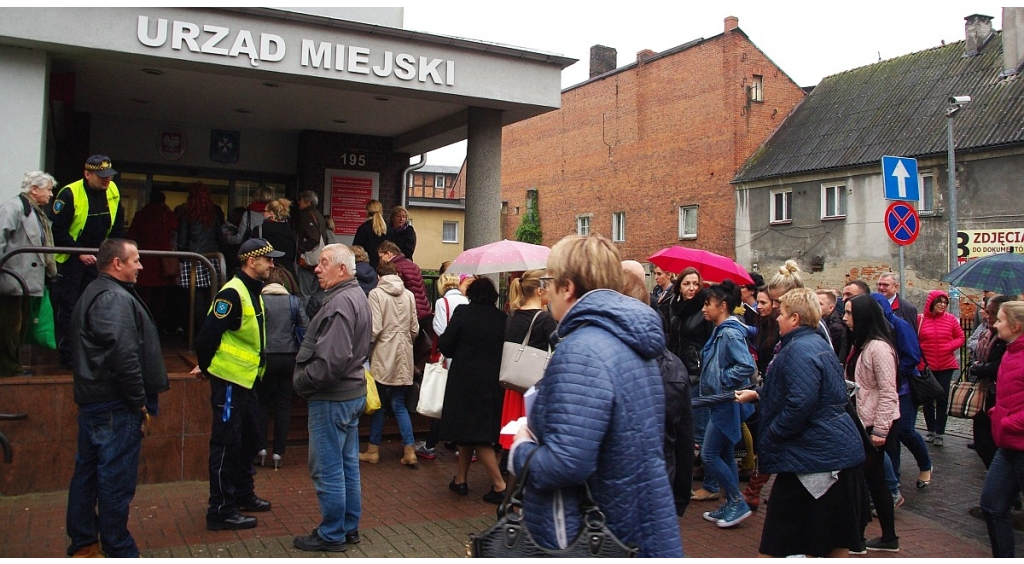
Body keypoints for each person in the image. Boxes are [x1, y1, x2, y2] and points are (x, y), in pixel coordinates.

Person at [509, 234, 682, 557]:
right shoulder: (631, 342)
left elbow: (567, 463)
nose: (545, 294)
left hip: (595, 534)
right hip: (635, 521)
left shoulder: (582, 349)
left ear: (568, 287)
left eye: (549, 282)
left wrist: (521, 449)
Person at [735, 288, 865, 557]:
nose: (777, 319)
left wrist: (774, 432)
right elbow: (804, 388)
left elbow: (800, 402)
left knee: (777, 542)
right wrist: (759, 393)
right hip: (828, 455)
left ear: (794, 318)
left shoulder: (799, 349)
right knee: (834, 539)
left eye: (781, 314)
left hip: (813, 459)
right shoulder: (813, 343)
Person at [65, 239, 169, 558]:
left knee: (89, 473)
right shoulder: (112, 297)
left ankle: (85, 543)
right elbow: (123, 353)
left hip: (99, 400)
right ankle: (117, 548)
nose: (140, 266)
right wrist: (138, 400)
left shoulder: (103, 292)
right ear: (116, 264)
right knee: (114, 481)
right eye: (135, 260)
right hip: (114, 405)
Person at [192, 238, 283, 531]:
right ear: (249, 261)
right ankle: (220, 510)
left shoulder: (251, 290)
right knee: (226, 445)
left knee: (248, 441)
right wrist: (208, 368)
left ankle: (243, 494)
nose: (272, 264)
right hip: (230, 382)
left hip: (247, 381)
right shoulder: (231, 293)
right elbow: (207, 337)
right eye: (267, 259)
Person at [292, 244, 370, 552]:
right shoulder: (355, 297)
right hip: (349, 394)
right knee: (347, 464)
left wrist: (303, 381)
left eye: (324, 263)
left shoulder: (340, 303)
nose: (317, 268)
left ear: (342, 269)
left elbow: (331, 362)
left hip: (333, 397)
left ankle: (332, 533)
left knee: (329, 468)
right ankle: (347, 528)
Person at [622, 266, 693, 517]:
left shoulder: (604, 361)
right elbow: (682, 440)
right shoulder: (673, 367)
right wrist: (679, 498)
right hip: (659, 490)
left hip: (624, 498)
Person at [49, 155, 126, 368]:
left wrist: (113, 253)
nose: (106, 181)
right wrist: (78, 252)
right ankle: (69, 356)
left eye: (109, 176)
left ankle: (92, 352)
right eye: (101, 177)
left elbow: (117, 226)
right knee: (69, 307)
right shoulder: (69, 193)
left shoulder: (112, 191)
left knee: (96, 306)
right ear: (87, 174)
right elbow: (57, 230)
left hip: (99, 257)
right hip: (72, 259)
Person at [438, 277, 508, 504]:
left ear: (471, 295)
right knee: (469, 431)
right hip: (492, 382)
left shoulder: (462, 313)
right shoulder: (502, 318)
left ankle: (500, 485)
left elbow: (445, 344)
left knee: (476, 434)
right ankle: (460, 479)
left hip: (464, 381)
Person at [697, 280, 758, 528]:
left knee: (709, 454)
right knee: (724, 454)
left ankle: (736, 501)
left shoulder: (730, 332)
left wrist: (722, 380)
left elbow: (746, 365)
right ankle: (731, 503)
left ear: (722, 306)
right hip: (720, 400)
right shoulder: (720, 330)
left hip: (725, 401)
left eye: (707, 303)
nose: (704, 308)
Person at [843, 294, 900, 552]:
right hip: (863, 420)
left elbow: (889, 391)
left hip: (875, 424)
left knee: (865, 480)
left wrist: (880, 429)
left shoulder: (879, 348)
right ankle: (888, 537)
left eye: (849, 313)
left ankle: (860, 538)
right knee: (874, 481)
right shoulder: (861, 344)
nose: (844, 318)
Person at [869, 293, 931, 499]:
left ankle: (925, 465)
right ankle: (892, 483)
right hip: (887, 390)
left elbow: (913, 355)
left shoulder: (900, 326)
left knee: (905, 430)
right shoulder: (873, 330)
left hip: (903, 389)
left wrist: (895, 375)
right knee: (891, 437)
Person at [360, 261, 420, 466]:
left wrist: (365, 349)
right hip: (404, 353)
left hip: (383, 352)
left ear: (379, 276)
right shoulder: (409, 295)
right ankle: (410, 450)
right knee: (399, 404)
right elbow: (414, 328)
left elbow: (375, 328)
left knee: (379, 403)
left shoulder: (376, 294)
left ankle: (373, 450)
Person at [0, 171, 56, 377]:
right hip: (12, 278)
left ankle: (12, 364)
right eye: (48, 189)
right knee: (10, 325)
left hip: (23, 279)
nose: (51, 194)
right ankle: (8, 367)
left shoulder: (34, 211)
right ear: (34, 189)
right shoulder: (13, 208)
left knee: (21, 325)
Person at [980, 300, 1024, 557]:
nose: (995, 324)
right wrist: (999, 413)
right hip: (1007, 445)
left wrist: (1007, 421)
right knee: (992, 505)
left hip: (1018, 443)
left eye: (1000, 320)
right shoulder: (1010, 350)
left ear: (1016, 326)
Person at [414, 269, 469, 460]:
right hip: (464, 358)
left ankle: (430, 445)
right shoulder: (467, 301)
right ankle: (461, 445)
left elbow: (439, 328)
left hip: (447, 358)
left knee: (441, 402)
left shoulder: (442, 302)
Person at [255, 267, 307, 470]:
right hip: (289, 358)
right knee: (283, 406)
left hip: (266, 357)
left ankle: (260, 448)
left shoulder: (259, 301)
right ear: (283, 284)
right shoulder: (294, 302)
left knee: (262, 404)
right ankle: (278, 452)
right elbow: (305, 326)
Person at [500, 270, 557, 450]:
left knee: (514, 432)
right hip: (534, 385)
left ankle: (509, 465)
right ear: (540, 291)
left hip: (514, 383)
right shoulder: (545, 319)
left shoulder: (513, 316)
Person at [174, 182, 225, 337]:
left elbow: (182, 241)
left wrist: (181, 258)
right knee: (211, 297)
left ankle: (195, 334)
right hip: (211, 259)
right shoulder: (213, 214)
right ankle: (208, 332)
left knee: (194, 300)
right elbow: (220, 238)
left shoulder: (187, 214)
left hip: (193, 259)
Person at [917, 290, 966, 447]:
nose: (942, 305)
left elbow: (960, 338)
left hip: (946, 365)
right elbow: (914, 340)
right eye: (939, 302)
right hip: (927, 365)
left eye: (945, 303)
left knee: (943, 398)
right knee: (927, 400)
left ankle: (940, 432)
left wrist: (948, 346)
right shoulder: (921, 320)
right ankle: (930, 430)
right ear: (931, 303)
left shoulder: (950, 319)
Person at [970, 295, 1011, 469]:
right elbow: (972, 347)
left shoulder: (1006, 339)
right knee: (981, 441)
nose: (988, 317)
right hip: (985, 393)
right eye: (987, 312)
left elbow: (999, 367)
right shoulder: (986, 333)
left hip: (998, 395)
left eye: (994, 314)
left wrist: (979, 368)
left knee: (993, 443)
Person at [295, 190, 330, 309]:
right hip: (318, 259)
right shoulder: (319, 215)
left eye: (301, 200)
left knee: (304, 294)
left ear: (307, 202)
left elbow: (314, 238)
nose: (299, 202)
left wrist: (300, 249)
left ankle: (304, 323)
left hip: (308, 261)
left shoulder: (307, 215)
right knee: (314, 294)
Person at [255, 198, 297, 279]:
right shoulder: (290, 230)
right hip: (288, 274)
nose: (262, 214)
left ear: (270, 213)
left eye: (264, 211)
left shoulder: (260, 229)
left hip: (267, 273)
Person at [352, 199, 388, 269]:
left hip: (367, 268)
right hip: (385, 267)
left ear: (367, 211)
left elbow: (356, 249)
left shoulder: (363, 228)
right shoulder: (389, 229)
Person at [817, 289, 847, 366]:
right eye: (814, 303)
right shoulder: (818, 322)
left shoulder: (836, 328)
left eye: (820, 304)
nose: (815, 307)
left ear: (831, 308)